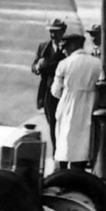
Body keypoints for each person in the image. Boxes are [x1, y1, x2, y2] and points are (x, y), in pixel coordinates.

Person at [51, 33, 102, 171]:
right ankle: (78, 172)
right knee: (83, 142)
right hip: (89, 104)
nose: (63, 51)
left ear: (72, 46)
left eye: (65, 47)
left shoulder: (65, 64)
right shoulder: (97, 63)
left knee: (65, 141)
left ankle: (62, 173)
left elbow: (56, 91)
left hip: (68, 103)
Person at [32, 18, 68, 152]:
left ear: (63, 31)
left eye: (56, 32)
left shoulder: (68, 46)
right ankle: (56, 152)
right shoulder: (44, 47)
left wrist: (46, 66)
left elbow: (62, 66)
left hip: (64, 90)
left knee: (64, 122)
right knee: (51, 122)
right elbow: (34, 65)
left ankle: (63, 152)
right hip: (48, 90)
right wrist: (37, 67)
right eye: (51, 32)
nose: (53, 35)